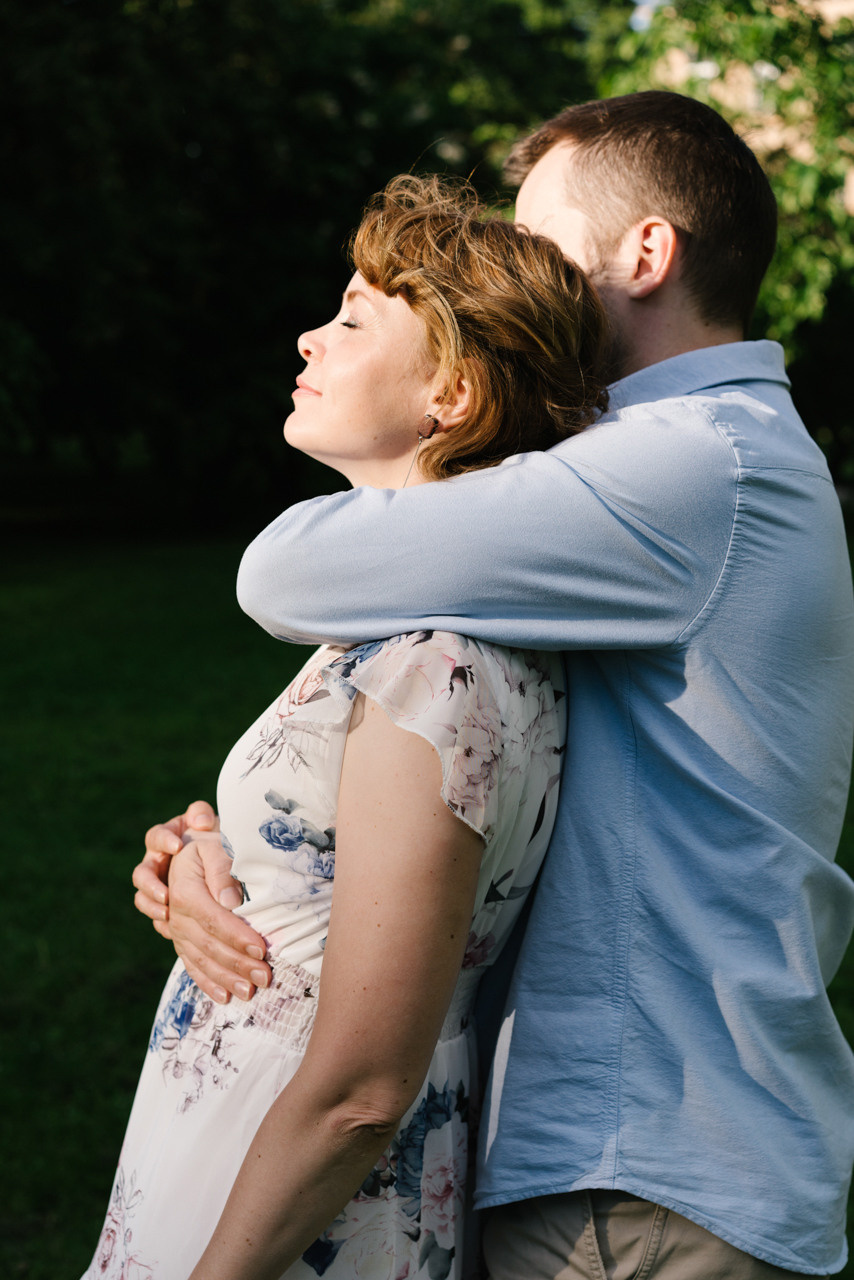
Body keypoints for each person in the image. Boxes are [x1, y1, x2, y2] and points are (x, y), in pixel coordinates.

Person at [136, 91, 854, 1278]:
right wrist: (227, 853)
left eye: (539, 237)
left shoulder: (688, 464)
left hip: (640, 1172)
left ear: (644, 254)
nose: (514, 267)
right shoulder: (682, 464)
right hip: (617, 1156)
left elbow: (288, 568)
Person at [84, 174, 612, 1280]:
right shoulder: (409, 627)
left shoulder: (436, 665)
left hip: (294, 1199)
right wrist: (205, 848)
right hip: (243, 1141)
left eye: (354, 321)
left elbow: (364, 1089)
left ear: (451, 395)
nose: (309, 338)